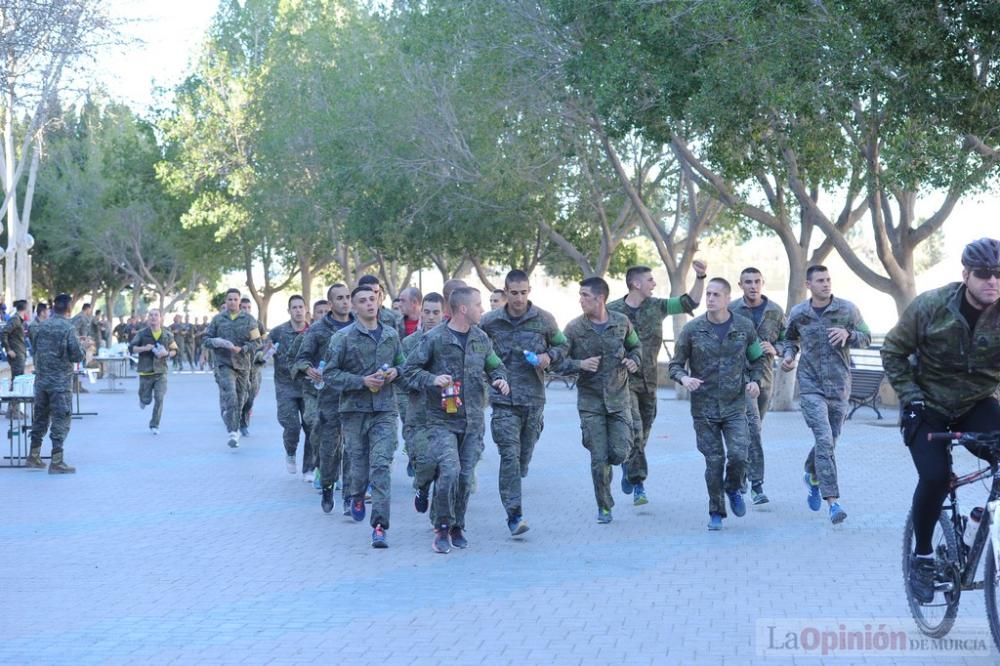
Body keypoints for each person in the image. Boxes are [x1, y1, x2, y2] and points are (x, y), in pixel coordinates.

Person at [881, 238, 1000, 604]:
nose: (992, 281)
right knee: (934, 478)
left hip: (976, 402)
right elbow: (893, 350)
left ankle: (981, 521)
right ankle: (924, 556)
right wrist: (910, 397)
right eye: (983, 274)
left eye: (998, 274)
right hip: (927, 404)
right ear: (965, 275)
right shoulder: (931, 307)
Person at [402, 287, 509, 553]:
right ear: (463, 309)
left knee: (463, 477)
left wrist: (500, 379)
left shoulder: (481, 339)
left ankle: (458, 525)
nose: (482, 309)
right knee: (449, 471)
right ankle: (441, 528)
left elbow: (495, 364)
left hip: (472, 421)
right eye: (478, 304)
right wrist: (431, 380)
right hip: (441, 421)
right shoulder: (434, 338)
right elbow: (408, 371)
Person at [669, 278, 765, 530]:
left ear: (726, 298)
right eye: (708, 294)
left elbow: (757, 360)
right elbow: (675, 365)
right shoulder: (692, 330)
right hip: (704, 409)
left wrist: (755, 381)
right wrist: (684, 377)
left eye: (715, 294)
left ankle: (733, 487)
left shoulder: (744, 327)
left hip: (735, 406)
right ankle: (716, 511)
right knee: (713, 462)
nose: (710, 298)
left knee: (738, 455)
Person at [607, 263, 705, 506]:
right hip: (623, 382)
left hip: (650, 383)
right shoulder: (612, 311)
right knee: (635, 429)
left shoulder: (658, 306)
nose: (654, 284)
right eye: (650, 280)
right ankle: (638, 482)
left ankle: (629, 467)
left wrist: (701, 276)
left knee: (644, 433)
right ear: (636, 284)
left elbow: (689, 302)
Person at [480, 270, 568, 536]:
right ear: (505, 293)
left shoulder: (544, 319)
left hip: (533, 399)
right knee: (509, 455)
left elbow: (564, 346)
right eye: (513, 293)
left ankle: (522, 466)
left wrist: (548, 357)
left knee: (523, 455)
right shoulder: (490, 322)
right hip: (503, 399)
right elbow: (476, 349)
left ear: (529, 291)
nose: (519, 298)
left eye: (523, 292)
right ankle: (514, 514)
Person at [781, 265, 871, 524]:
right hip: (810, 386)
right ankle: (832, 502)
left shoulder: (848, 309)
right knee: (823, 438)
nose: (826, 284)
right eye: (820, 280)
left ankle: (811, 473)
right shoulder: (799, 313)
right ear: (809, 284)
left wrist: (849, 334)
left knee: (831, 440)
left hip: (839, 386)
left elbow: (866, 336)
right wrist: (788, 356)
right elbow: (789, 340)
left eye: (828, 279)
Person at [327, 286, 405, 548]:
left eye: (372, 299)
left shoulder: (392, 334)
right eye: (363, 301)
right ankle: (355, 494)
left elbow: (403, 363)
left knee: (381, 465)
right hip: (354, 411)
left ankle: (380, 526)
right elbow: (330, 375)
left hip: (384, 410)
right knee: (358, 465)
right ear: (354, 306)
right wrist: (361, 381)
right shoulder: (342, 338)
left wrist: (395, 371)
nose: (369, 304)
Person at [561, 277, 641, 524]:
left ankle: (627, 468)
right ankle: (604, 506)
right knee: (599, 458)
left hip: (619, 400)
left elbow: (636, 347)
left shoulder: (621, 322)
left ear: (600, 298)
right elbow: (557, 362)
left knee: (618, 452)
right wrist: (579, 364)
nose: (581, 300)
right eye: (580, 295)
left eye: (585, 295)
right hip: (590, 403)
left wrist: (633, 361)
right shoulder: (574, 328)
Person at [730, 267, 786, 505]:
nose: (753, 286)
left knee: (753, 430)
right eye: (747, 282)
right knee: (753, 429)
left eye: (756, 282)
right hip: (740, 380)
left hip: (765, 378)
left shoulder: (775, 310)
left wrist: (777, 349)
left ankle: (739, 474)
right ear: (740, 284)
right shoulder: (731, 309)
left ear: (763, 283)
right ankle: (756, 485)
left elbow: (788, 339)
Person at [293, 285, 352, 500]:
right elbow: (300, 358)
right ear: (330, 303)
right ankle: (327, 480)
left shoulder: (360, 325)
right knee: (326, 443)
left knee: (353, 446)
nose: (345, 302)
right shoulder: (318, 329)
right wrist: (308, 369)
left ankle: (351, 495)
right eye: (340, 298)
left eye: (347, 297)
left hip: (355, 394)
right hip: (326, 396)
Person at [24, 294, 85, 473]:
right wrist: (83, 348)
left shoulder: (40, 327)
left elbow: (35, 350)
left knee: (40, 417)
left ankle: (33, 456)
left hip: (41, 381)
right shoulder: (68, 328)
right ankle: (57, 461)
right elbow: (76, 355)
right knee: (61, 418)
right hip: (60, 383)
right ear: (69, 308)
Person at [202, 288, 262, 448]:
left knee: (241, 399)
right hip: (224, 364)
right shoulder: (217, 320)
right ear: (226, 301)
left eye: (235, 299)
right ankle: (233, 432)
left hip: (242, 365)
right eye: (230, 299)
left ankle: (237, 426)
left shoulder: (249, 320)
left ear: (239, 301)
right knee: (231, 395)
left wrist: (242, 349)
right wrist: (217, 342)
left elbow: (257, 342)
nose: (232, 302)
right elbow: (206, 339)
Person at [401, 292, 443, 492]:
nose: (431, 317)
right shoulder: (409, 343)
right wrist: (427, 381)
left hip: (447, 414)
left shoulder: (452, 342)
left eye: (436, 312)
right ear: (421, 313)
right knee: (424, 463)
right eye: (427, 312)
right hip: (418, 414)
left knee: (447, 468)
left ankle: (442, 519)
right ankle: (422, 487)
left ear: (444, 314)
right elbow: (402, 379)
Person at [269, 295, 311, 476]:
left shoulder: (313, 331)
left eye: (301, 307)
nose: (298, 310)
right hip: (285, 386)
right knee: (292, 426)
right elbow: (263, 354)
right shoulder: (278, 332)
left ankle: (309, 468)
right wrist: (266, 353)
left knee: (311, 426)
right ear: (289, 311)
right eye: (294, 307)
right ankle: (291, 451)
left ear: (306, 309)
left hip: (308, 386)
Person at [129, 309, 178, 435]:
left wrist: (166, 353)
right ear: (147, 318)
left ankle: (154, 424)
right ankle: (143, 399)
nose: (153, 317)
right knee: (146, 399)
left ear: (160, 318)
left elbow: (174, 350)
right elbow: (132, 348)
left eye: (156, 315)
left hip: (161, 372)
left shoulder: (167, 334)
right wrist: (144, 348)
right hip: (146, 372)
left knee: (159, 397)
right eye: (150, 315)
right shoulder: (142, 333)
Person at [239, 297, 267, 436]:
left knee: (251, 397)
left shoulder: (258, 324)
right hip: (239, 366)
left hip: (255, 366)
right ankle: (242, 424)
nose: (246, 310)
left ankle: (245, 414)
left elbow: (265, 342)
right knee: (239, 396)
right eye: (243, 307)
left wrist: (262, 354)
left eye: (248, 307)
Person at [1, 299, 29, 391]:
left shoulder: (19, 320)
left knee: (19, 381)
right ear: (25, 308)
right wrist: (8, 350)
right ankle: (13, 404)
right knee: (16, 381)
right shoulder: (15, 319)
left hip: (20, 354)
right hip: (16, 355)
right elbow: (4, 332)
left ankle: (15, 404)